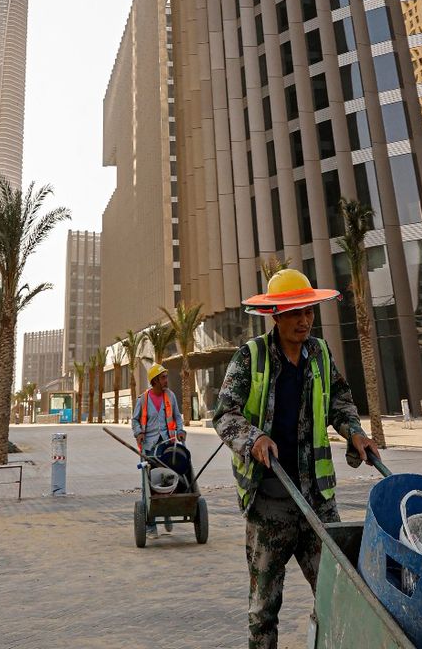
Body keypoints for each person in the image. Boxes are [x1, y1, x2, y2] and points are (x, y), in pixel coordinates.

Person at [214, 268, 380, 649]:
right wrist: (253, 438)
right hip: (270, 501)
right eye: (293, 313)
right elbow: (225, 414)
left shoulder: (320, 354)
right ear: (275, 316)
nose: (304, 320)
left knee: (339, 592)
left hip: (317, 500)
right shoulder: (251, 357)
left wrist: (354, 432)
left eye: (308, 311)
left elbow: (340, 400)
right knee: (263, 608)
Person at [131, 363, 185, 456]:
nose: (166, 380)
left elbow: (177, 416)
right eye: (163, 378)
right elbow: (135, 420)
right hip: (150, 446)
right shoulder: (143, 399)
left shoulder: (170, 396)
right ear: (155, 380)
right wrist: (139, 432)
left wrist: (180, 430)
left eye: (166, 377)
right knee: (153, 469)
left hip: (168, 444)